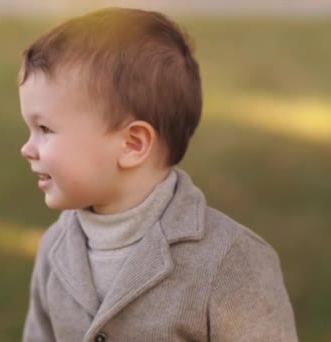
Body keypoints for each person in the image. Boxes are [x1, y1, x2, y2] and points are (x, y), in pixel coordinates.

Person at [17, 7, 297, 341]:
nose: (27, 148)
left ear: (132, 144)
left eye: (45, 128)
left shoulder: (233, 262)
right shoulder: (54, 250)